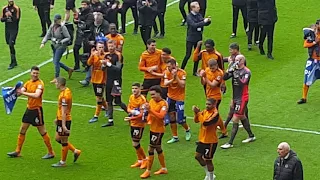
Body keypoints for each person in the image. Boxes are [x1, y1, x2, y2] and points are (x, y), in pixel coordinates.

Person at [7, 66, 55, 159]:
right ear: (30, 73)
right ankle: (17, 151)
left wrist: (23, 93)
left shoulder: (40, 84)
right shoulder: (28, 83)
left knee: (42, 131)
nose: (35, 75)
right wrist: (13, 90)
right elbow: (20, 93)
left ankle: (51, 152)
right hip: (29, 110)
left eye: (37, 73)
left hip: (37, 110)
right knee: (22, 129)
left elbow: (37, 95)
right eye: (34, 73)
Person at [220, 55, 256, 149]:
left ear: (242, 61)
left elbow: (243, 82)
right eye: (234, 60)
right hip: (235, 97)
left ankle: (230, 142)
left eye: (237, 60)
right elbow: (224, 77)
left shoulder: (246, 71)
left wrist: (236, 74)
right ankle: (251, 136)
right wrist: (228, 70)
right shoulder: (234, 70)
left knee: (235, 119)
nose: (235, 62)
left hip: (242, 98)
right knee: (242, 117)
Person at [52, 77, 81, 167]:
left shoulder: (64, 95)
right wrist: (57, 118)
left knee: (64, 140)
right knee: (57, 138)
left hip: (64, 120)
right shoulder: (66, 90)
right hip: (61, 119)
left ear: (60, 84)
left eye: (56, 82)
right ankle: (75, 151)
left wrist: (64, 125)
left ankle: (62, 162)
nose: (55, 84)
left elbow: (64, 111)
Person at [140, 85, 168, 179]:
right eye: (150, 95)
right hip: (153, 129)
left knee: (150, 149)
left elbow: (161, 116)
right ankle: (164, 168)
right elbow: (149, 113)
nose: (151, 96)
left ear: (159, 93)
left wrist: (150, 110)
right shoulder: (151, 101)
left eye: (153, 94)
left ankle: (148, 171)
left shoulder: (163, 104)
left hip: (158, 130)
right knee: (158, 149)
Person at [101, 40, 128, 127]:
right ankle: (110, 120)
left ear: (115, 46)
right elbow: (103, 69)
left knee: (118, 101)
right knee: (109, 101)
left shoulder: (119, 55)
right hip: (108, 80)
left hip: (116, 81)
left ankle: (130, 113)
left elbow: (118, 69)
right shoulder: (106, 55)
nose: (111, 48)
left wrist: (108, 64)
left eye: (112, 46)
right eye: (109, 46)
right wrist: (103, 65)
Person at [164, 59, 191, 144]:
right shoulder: (167, 72)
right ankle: (175, 136)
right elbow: (165, 83)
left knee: (180, 119)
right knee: (172, 117)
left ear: (174, 65)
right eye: (167, 66)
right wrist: (172, 79)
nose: (168, 67)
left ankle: (187, 129)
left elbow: (182, 85)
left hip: (179, 98)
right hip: (170, 97)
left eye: (169, 66)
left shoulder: (182, 73)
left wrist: (176, 76)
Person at [40, 14, 73, 83]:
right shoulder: (52, 26)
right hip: (54, 45)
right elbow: (48, 34)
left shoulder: (62, 27)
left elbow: (68, 37)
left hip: (61, 46)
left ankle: (57, 77)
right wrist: (43, 42)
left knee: (56, 61)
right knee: (55, 61)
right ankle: (68, 69)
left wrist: (61, 41)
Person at [181, 1, 211, 76]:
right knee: (187, 55)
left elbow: (202, 22)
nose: (199, 8)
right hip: (191, 38)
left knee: (197, 55)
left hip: (198, 38)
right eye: (197, 7)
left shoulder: (198, 15)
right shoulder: (189, 17)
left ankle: (194, 72)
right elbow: (194, 25)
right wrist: (204, 22)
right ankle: (181, 70)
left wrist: (208, 21)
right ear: (192, 8)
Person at [199, 59, 228, 139]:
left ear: (216, 65)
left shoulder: (219, 73)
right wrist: (202, 77)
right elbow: (203, 83)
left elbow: (213, 85)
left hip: (216, 96)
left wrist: (205, 76)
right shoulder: (207, 70)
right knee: (216, 115)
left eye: (213, 68)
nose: (211, 69)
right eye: (210, 68)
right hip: (209, 95)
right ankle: (224, 131)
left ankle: (214, 131)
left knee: (212, 114)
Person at [193, 98, 219, 180]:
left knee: (208, 160)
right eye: (206, 104)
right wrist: (196, 113)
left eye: (209, 104)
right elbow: (196, 121)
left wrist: (198, 113)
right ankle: (207, 173)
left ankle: (211, 177)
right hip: (202, 140)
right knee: (197, 156)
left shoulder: (215, 114)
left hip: (211, 141)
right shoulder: (205, 111)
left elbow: (206, 123)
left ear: (214, 105)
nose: (207, 106)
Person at [124, 83, 148, 169]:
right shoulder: (131, 97)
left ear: (140, 89)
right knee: (134, 143)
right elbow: (128, 108)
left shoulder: (142, 100)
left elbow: (142, 115)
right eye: (133, 88)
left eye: (136, 88)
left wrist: (131, 116)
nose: (134, 90)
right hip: (133, 123)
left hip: (139, 124)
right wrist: (133, 112)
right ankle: (139, 160)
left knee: (135, 143)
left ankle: (145, 159)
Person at [297, 20, 320, 104]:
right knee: (306, 79)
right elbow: (305, 45)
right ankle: (304, 98)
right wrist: (314, 42)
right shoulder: (311, 36)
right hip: (312, 61)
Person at [87, 42, 108, 123]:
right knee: (99, 96)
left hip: (102, 79)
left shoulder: (106, 56)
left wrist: (99, 57)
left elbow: (104, 66)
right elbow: (88, 63)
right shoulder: (94, 55)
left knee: (98, 98)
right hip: (94, 78)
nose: (101, 49)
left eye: (102, 47)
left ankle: (96, 116)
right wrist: (92, 55)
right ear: (96, 48)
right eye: (99, 47)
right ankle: (107, 109)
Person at [73, 0, 94, 71]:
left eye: (84, 5)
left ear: (88, 5)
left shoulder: (90, 14)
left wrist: (79, 21)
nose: (83, 6)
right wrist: (75, 19)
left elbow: (87, 25)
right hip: (79, 33)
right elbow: (76, 21)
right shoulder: (80, 11)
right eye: (82, 4)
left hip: (87, 34)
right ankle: (76, 65)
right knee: (75, 48)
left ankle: (87, 66)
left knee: (87, 50)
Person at [1, 0, 21, 70]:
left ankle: (13, 62)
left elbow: (17, 19)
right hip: (7, 29)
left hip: (14, 29)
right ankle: (14, 61)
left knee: (11, 44)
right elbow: (2, 20)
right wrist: (6, 17)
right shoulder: (4, 8)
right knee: (9, 44)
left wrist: (11, 16)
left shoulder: (16, 8)